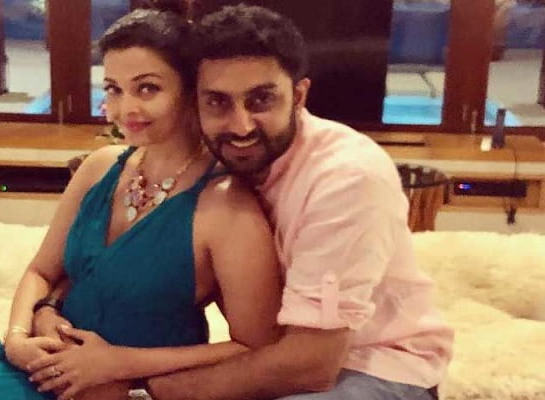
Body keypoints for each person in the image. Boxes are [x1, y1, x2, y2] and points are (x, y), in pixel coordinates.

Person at [0, 4, 282, 400]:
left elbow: (255, 344)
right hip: (41, 361)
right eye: (113, 89)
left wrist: (120, 363)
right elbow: (41, 270)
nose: (124, 108)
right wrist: (19, 336)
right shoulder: (102, 166)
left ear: (190, 92)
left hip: (121, 385)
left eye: (147, 88)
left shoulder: (226, 206)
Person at [33, 4, 454, 400]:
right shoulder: (210, 165)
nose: (240, 126)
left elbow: (312, 365)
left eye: (261, 100)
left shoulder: (344, 179)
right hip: (284, 353)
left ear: (299, 96)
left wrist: (141, 389)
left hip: (373, 363)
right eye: (217, 101)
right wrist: (49, 307)